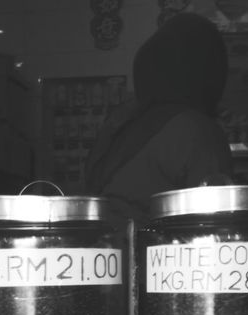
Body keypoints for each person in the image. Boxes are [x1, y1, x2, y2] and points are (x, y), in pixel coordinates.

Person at [83, 13, 233, 221]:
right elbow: (218, 220)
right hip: (160, 248)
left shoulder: (121, 120)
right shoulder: (199, 130)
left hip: (107, 246)